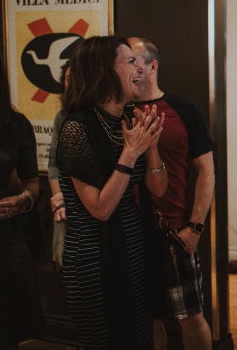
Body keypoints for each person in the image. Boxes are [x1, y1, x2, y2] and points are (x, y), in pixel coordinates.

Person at [56, 35, 167, 348]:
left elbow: (158, 188)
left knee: (139, 339)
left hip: (134, 250)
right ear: (104, 72)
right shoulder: (77, 128)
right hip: (93, 259)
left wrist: (153, 148)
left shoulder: (131, 119)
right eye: (130, 62)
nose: (139, 70)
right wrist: (131, 153)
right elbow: (100, 209)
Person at [129, 37, 215, 350]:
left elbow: (207, 171)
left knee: (190, 317)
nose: (129, 67)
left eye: (134, 60)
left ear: (153, 66)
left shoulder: (184, 111)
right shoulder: (115, 111)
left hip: (174, 231)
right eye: (124, 60)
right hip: (132, 234)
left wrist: (195, 228)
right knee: (148, 319)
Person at [0, 42, 45, 348]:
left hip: (5, 240)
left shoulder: (16, 125)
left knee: (7, 333)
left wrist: (20, 201)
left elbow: (32, 184)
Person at [47, 62, 70, 267]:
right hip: (64, 208)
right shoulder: (62, 117)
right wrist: (58, 200)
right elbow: (53, 164)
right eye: (68, 79)